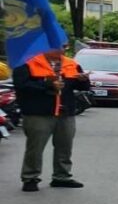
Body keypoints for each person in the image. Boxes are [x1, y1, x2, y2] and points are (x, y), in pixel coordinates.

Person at [14, 47, 91, 192]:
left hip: (65, 112)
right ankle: (30, 178)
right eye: (58, 47)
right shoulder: (28, 63)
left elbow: (82, 87)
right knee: (35, 147)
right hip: (39, 113)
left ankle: (62, 176)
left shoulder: (71, 63)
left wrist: (83, 80)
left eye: (64, 47)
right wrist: (47, 85)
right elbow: (21, 85)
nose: (62, 50)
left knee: (65, 146)